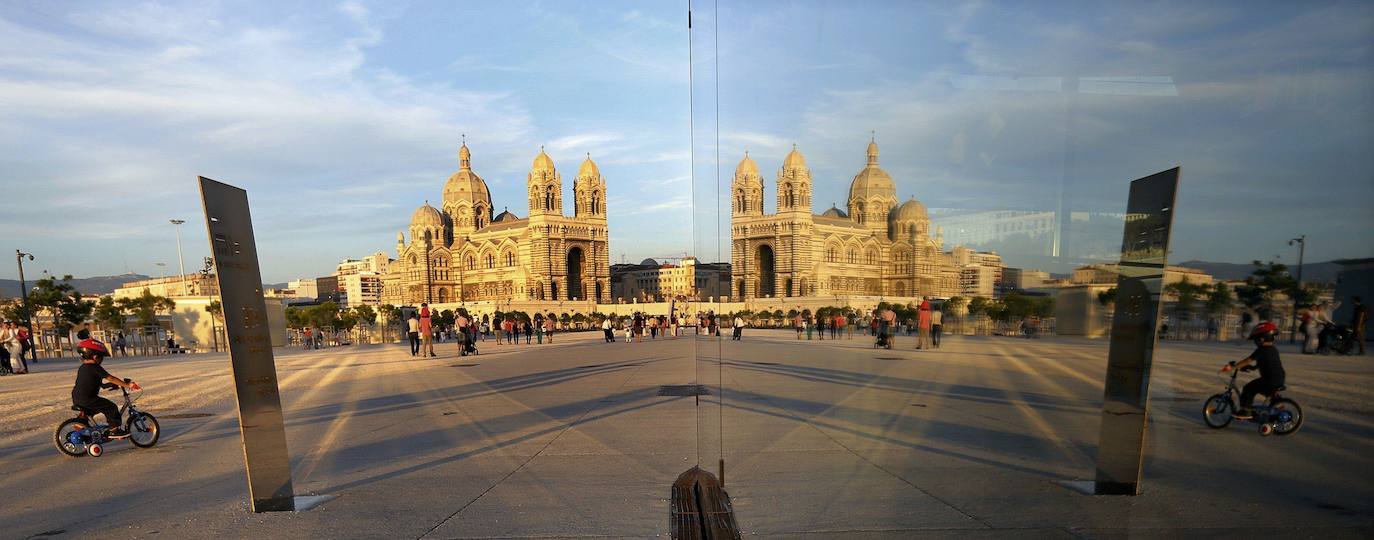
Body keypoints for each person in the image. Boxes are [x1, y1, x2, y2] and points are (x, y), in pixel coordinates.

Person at [72, 339, 140, 437]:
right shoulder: (95, 367)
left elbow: (92, 382)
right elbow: (111, 378)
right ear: (95, 356)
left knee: (93, 409)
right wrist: (128, 385)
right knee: (111, 408)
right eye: (101, 357)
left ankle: (81, 421)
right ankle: (114, 430)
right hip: (88, 398)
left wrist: (109, 385)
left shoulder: (83, 367)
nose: (101, 360)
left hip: (77, 398)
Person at [1223, 322, 1285, 419]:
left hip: (1269, 379)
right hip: (1279, 378)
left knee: (1249, 388)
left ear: (1262, 338)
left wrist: (1233, 367)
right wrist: (1251, 368)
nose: (1255, 342)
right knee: (1270, 392)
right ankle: (1279, 405)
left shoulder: (1261, 350)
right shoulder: (1272, 349)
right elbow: (1264, 362)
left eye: (1255, 339)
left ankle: (1246, 411)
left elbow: (1248, 360)